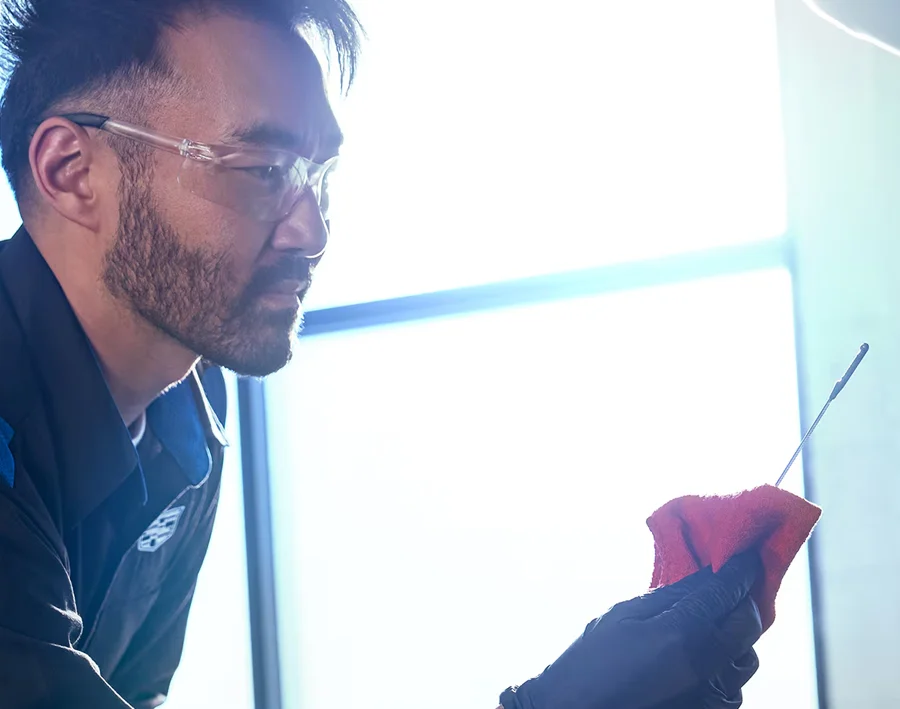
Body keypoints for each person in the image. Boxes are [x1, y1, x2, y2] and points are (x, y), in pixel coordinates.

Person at [0, 1, 769, 707]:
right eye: (261, 171)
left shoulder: (191, 413)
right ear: (71, 171)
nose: (313, 232)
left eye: (319, 175)